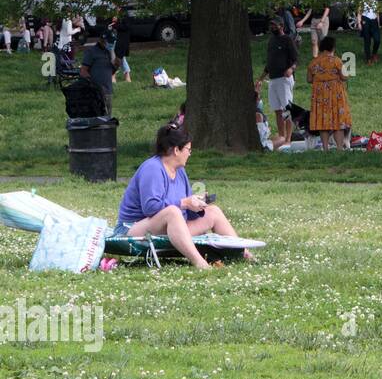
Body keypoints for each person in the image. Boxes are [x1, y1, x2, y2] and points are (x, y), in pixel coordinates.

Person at [116, 123, 251, 269]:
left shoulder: (180, 171)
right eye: (188, 149)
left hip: (170, 227)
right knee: (173, 212)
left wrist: (197, 205)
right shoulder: (153, 168)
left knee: (214, 212)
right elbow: (150, 208)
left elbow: (185, 211)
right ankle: (200, 263)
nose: (190, 153)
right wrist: (185, 203)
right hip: (133, 229)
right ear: (176, 150)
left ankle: (242, 253)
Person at [254, 17, 298, 149]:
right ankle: (281, 137)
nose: (272, 27)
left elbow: (296, 59)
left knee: (287, 109)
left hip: (284, 79)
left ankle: (289, 139)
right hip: (273, 79)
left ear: (281, 26)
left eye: (275, 25)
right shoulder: (271, 41)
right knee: (277, 110)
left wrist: (291, 69)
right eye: (271, 25)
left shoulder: (287, 40)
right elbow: (270, 61)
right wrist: (262, 77)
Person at [307, 35, 352, 151]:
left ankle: (325, 149)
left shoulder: (313, 62)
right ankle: (339, 148)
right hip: (336, 95)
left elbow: (309, 80)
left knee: (323, 122)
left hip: (320, 96)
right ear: (332, 48)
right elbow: (344, 77)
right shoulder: (337, 61)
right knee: (338, 122)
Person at [78, 26, 117, 117]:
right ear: (102, 40)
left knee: (107, 118)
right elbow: (83, 71)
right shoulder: (91, 51)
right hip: (95, 92)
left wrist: (113, 54)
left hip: (108, 91)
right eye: (108, 41)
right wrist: (96, 86)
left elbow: (112, 70)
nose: (110, 44)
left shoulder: (109, 52)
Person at [109, 12, 132, 83]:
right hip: (112, 39)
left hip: (120, 41)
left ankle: (113, 76)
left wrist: (115, 23)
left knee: (116, 58)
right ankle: (127, 75)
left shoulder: (124, 15)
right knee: (121, 59)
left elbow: (125, 27)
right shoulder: (111, 13)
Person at [359, 0, 381, 65]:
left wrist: (378, 23)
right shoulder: (362, 2)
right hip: (366, 20)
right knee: (367, 40)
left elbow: (377, 14)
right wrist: (359, 23)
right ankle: (368, 59)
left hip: (374, 21)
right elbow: (359, 13)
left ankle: (374, 54)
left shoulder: (376, 3)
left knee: (377, 40)